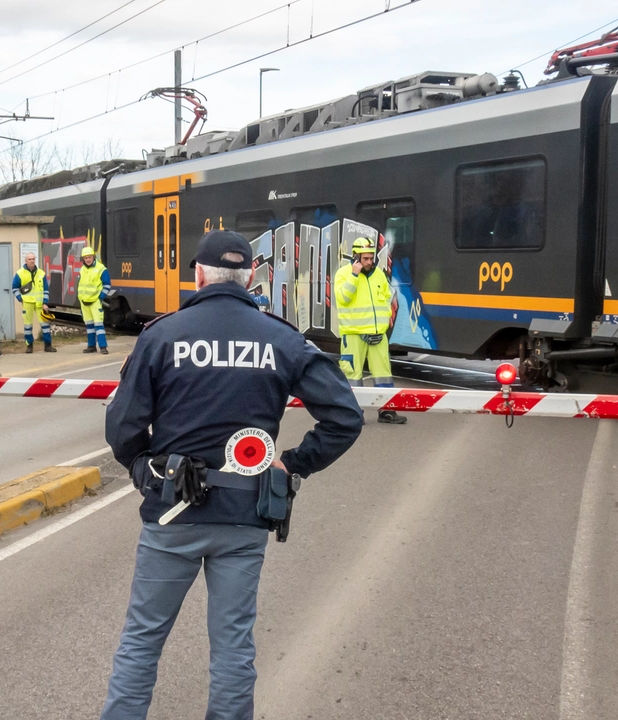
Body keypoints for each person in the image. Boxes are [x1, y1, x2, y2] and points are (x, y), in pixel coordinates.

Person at [101, 230, 364, 720]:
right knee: (233, 650)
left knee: (141, 643)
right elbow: (345, 417)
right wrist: (293, 462)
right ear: (249, 278)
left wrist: (143, 469)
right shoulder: (281, 338)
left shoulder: (162, 334)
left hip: (171, 517)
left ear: (198, 275)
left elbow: (123, 424)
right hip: (245, 516)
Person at [333, 236, 406, 424]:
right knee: (352, 375)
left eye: (371, 258)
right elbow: (343, 298)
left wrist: (382, 325)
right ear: (356, 257)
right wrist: (354, 275)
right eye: (365, 258)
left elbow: (388, 297)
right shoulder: (343, 274)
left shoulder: (379, 275)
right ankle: (353, 414)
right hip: (354, 334)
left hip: (378, 335)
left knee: (383, 372)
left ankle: (387, 411)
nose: (369, 262)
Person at [12, 252, 55, 353]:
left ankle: (48, 345)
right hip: (27, 303)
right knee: (28, 325)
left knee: (45, 324)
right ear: (25, 261)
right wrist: (20, 298)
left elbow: (46, 289)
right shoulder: (20, 273)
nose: (32, 261)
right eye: (30, 259)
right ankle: (29, 346)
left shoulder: (41, 273)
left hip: (40, 303)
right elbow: (14, 287)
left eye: (33, 259)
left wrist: (45, 302)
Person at [78, 246, 112, 354]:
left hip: (95, 301)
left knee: (98, 325)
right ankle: (91, 346)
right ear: (83, 259)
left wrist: (101, 297)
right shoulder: (82, 269)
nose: (88, 259)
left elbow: (107, 285)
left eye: (90, 257)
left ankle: (103, 346)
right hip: (84, 301)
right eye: (86, 258)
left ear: (94, 257)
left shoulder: (101, 269)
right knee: (89, 325)